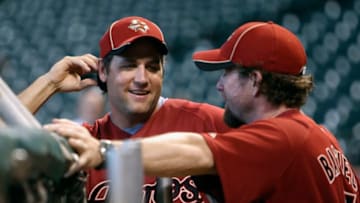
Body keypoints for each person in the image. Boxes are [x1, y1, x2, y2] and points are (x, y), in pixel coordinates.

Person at [44, 21, 360, 202]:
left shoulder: (281, 139)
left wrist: (103, 151)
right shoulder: (321, 137)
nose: (219, 86)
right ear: (103, 72)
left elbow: (199, 148)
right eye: (129, 66)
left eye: (227, 73)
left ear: (254, 80)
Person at [19, 16, 232, 202]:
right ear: (103, 71)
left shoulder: (204, 121)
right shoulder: (85, 141)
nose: (142, 79)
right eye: (129, 66)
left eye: (152, 67)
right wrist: (49, 83)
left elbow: (265, 149)